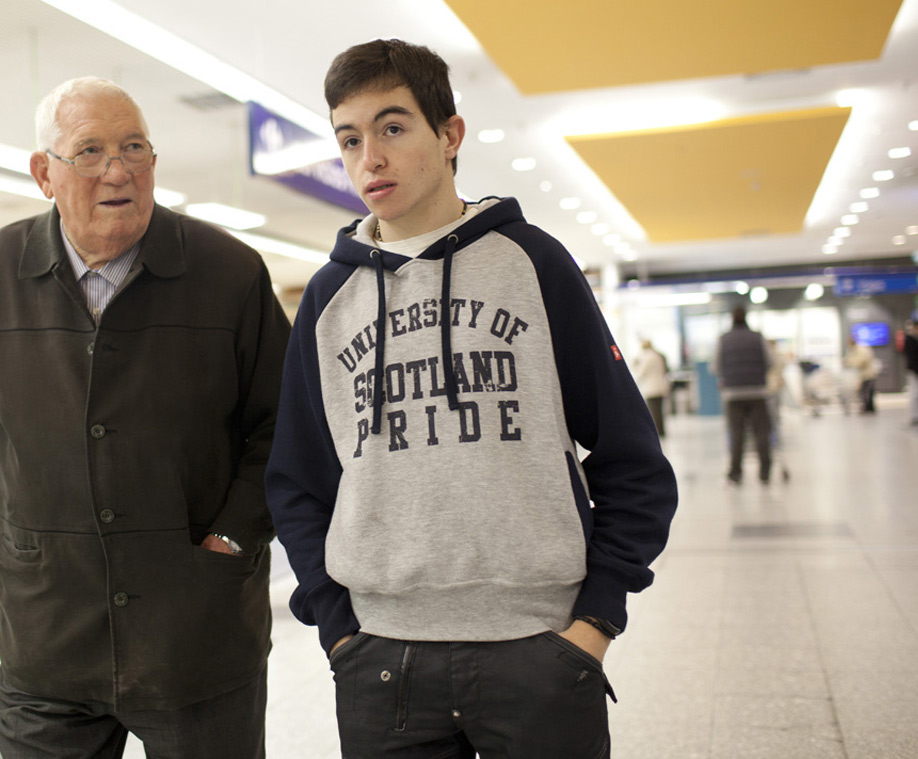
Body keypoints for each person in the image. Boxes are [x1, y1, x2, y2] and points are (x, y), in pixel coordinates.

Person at [265, 39, 678, 758]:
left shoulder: (533, 263)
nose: (372, 158)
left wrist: (594, 622)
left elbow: (631, 457)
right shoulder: (330, 298)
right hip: (381, 659)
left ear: (449, 134)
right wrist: (338, 629)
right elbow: (297, 479)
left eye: (393, 128)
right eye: (351, 139)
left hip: (540, 648)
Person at [0, 76, 290, 758]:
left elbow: (283, 425)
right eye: (89, 151)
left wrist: (234, 536)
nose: (118, 171)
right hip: (48, 636)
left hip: (197, 634)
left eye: (135, 147)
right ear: (44, 174)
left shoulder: (229, 273)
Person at [715, 305, 772, 485]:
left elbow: (715, 366)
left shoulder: (723, 340)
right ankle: (764, 472)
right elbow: (770, 362)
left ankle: (736, 473)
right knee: (761, 432)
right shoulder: (757, 337)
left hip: (733, 394)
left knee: (737, 433)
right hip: (757, 392)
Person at [632, 339, 670, 437]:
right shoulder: (657, 356)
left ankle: (657, 432)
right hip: (660, 386)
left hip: (652, 388)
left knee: (654, 412)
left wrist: (636, 366)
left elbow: (641, 372)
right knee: (659, 411)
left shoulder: (647, 358)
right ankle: (661, 431)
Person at [844, 335, 879, 414]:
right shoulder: (854, 350)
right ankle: (868, 407)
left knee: (867, 392)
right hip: (863, 375)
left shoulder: (862, 349)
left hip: (868, 374)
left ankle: (869, 408)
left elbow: (863, 361)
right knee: (865, 392)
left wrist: (851, 363)